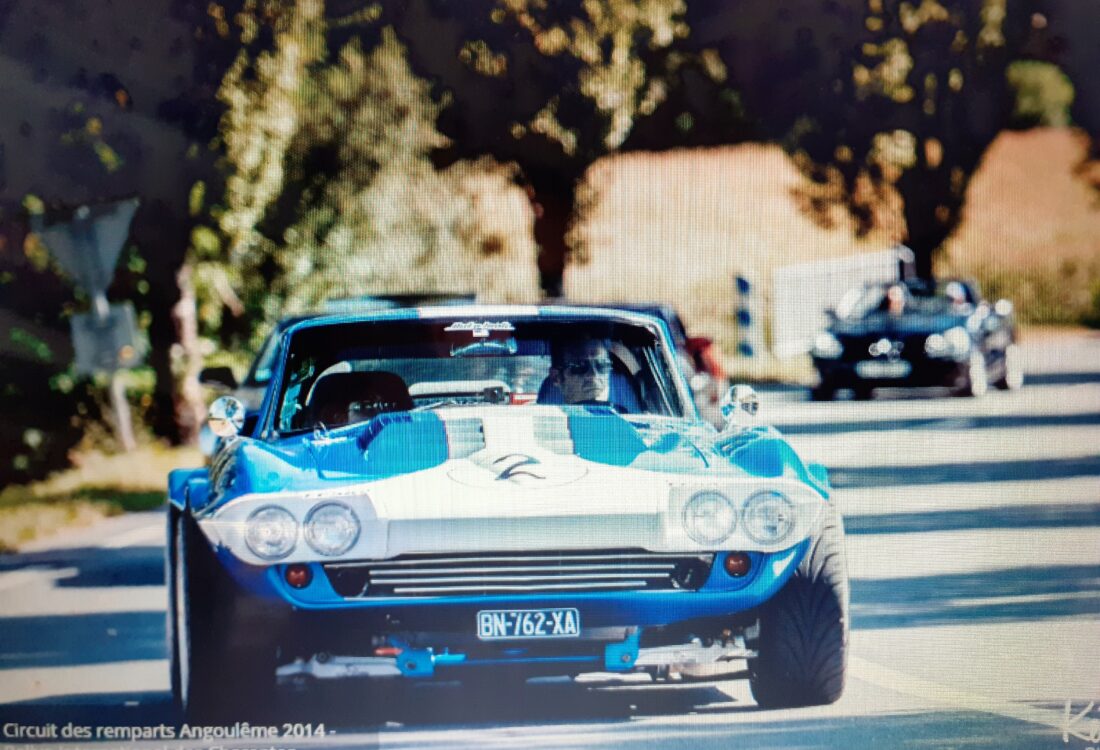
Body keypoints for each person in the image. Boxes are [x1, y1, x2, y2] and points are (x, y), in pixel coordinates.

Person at [549, 339, 614, 404]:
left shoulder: (620, 410)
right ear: (556, 377)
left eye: (602, 365)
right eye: (579, 367)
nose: (594, 376)